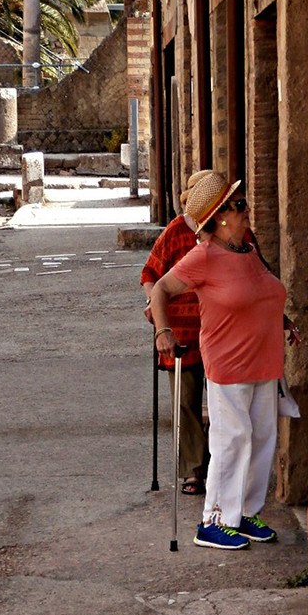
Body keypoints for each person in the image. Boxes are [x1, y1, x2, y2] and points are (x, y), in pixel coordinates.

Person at [150, 171, 301, 550]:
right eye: (239, 206)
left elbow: (258, 293)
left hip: (264, 361)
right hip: (229, 363)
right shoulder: (203, 256)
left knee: (262, 439)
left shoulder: (248, 249)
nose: (246, 209)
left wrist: (281, 319)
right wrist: (163, 331)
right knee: (232, 439)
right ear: (220, 217)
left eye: (243, 203)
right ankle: (212, 520)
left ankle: (243, 514)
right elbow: (160, 289)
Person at [140, 170, 216, 494]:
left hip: (217, 331)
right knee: (185, 402)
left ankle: (220, 463)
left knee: (222, 404)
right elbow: (150, 274)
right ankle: (194, 469)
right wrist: (160, 323)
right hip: (181, 334)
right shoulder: (174, 233)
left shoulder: (224, 235)